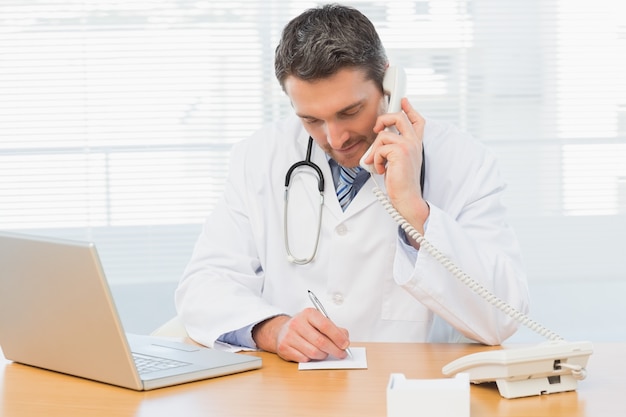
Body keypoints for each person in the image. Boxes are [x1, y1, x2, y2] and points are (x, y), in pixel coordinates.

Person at [175, 3, 529, 363]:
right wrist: (274, 328)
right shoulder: (259, 156)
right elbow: (204, 286)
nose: (335, 137)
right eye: (312, 119)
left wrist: (413, 210)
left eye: (349, 112)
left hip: (410, 390)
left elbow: (501, 317)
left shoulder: (463, 162)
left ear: (389, 85)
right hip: (292, 391)